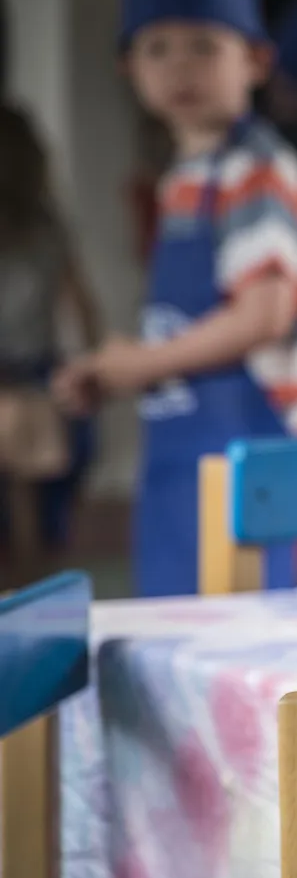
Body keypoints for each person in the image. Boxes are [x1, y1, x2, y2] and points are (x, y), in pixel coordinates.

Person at [55, 0, 297, 596]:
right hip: (187, 456)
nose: (182, 67)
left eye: (206, 46)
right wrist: (115, 368)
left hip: (251, 458)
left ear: (256, 61)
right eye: (159, 48)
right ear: (130, 66)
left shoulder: (254, 167)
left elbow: (264, 315)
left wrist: (139, 365)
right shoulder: (185, 176)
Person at [0, 103, 103, 574]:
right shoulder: (46, 225)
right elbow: (82, 308)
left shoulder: (45, 225)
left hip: (26, 379)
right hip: (36, 378)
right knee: (36, 528)